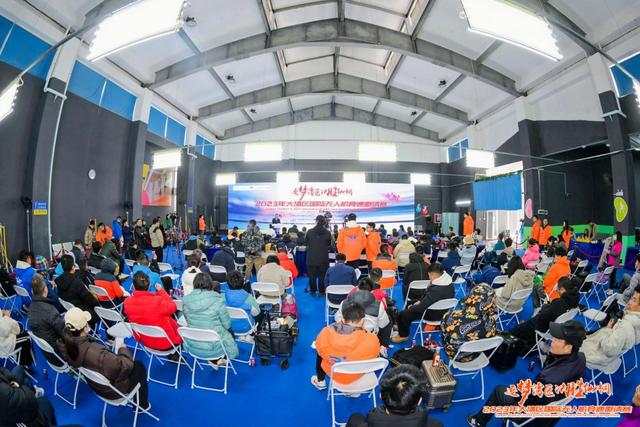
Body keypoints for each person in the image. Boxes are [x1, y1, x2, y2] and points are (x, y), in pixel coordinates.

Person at [466, 320, 586, 427]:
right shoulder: (580, 358)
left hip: (531, 415)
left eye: (557, 340)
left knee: (499, 391)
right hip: (551, 415)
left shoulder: (549, 378)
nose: (551, 341)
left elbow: (527, 399)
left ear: (569, 347)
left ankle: (478, 421)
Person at [57, 307, 150, 410]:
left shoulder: (64, 344)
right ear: (86, 327)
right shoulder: (97, 354)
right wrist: (122, 348)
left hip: (96, 386)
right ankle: (142, 405)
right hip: (113, 391)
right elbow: (125, 366)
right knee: (138, 366)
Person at [311, 301, 380, 390]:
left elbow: (320, 350)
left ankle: (320, 381)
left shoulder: (325, 333)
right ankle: (353, 391)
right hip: (358, 374)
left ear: (343, 319)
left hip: (334, 372)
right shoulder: (372, 340)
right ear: (363, 320)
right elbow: (374, 355)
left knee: (319, 353)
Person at [346, 365, 443, 427]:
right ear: (419, 401)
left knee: (355, 417)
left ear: (380, 396)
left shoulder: (360, 423)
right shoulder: (435, 424)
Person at [182, 273, 238, 365]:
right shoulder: (217, 299)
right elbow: (227, 325)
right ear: (210, 284)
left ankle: (215, 360)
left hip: (194, 346)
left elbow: (187, 320)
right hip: (215, 347)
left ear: (194, 284)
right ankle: (219, 360)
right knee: (229, 333)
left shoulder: (185, 301)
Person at [393, 263, 454, 343]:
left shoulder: (436, 289)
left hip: (434, 314)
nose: (429, 277)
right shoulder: (448, 282)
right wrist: (419, 301)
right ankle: (402, 325)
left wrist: (412, 307)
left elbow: (421, 307)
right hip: (444, 311)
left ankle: (403, 335)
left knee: (403, 314)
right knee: (410, 303)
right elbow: (428, 298)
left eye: (429, 275)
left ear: (432, 274)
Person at [510, 277, 580, 348]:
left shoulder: (559, 303)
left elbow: (543, 318)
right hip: (555, 327)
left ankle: (510, 338)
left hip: (543, 326)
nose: (556, 290)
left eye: (558, 288)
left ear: (562, 289)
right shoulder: (574, 302)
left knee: (518, 329)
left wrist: (544, 308)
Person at [581, 288, 640, 371]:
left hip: (599, 355)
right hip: (607, 350)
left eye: (634, 300)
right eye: (631, 298)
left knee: (572, 341)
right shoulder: (633, 320)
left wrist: (608, 329)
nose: (629, 302)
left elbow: (609, 350)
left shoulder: (625, 326)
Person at [124, 272, 181, 352]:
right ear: (149, 285)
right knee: (176, 317)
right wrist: (161, 291)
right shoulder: (157, 301)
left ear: (133, 286)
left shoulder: (127, 302)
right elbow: (173, 307)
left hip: (145, 342)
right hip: (168, 343)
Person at [441, 283, 496, 361]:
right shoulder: (491, 322)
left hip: (453, 354)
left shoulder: (450, 315)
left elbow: (444, 331)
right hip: (474, 355)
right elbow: (489, 339)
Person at [336, 278, 391, 346]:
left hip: (346, 335)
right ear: (372, 291)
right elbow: (384, 324)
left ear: (357, 288)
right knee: (388, 321)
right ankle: (383, 346)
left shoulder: (344, 302)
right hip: (368, 336)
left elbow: (338, 319)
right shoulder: (379, 305)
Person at [28, 274, 65, 367]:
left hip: (48, 354)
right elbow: (64, 333)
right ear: (45, 289)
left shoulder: (31, 308)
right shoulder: (50, 310)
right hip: (60, 355)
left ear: (32, 291)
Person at [55, 255, 99, 326]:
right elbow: (91, 300)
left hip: (70, 310)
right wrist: (96, 300)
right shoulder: (77, 282)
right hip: (82, 312)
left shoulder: (58, 280)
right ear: (73, 266)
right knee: (98, 309)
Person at [305, 215, 333, 294]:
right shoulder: (328, 232)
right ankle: (322, 290)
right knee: (322, 276)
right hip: (323, 258)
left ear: (316, 221)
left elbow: (306, 242)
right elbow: (329, 245)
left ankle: (313, 290)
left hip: (311, 257)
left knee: (312, 276)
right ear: (324, 222)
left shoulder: (309, 231)